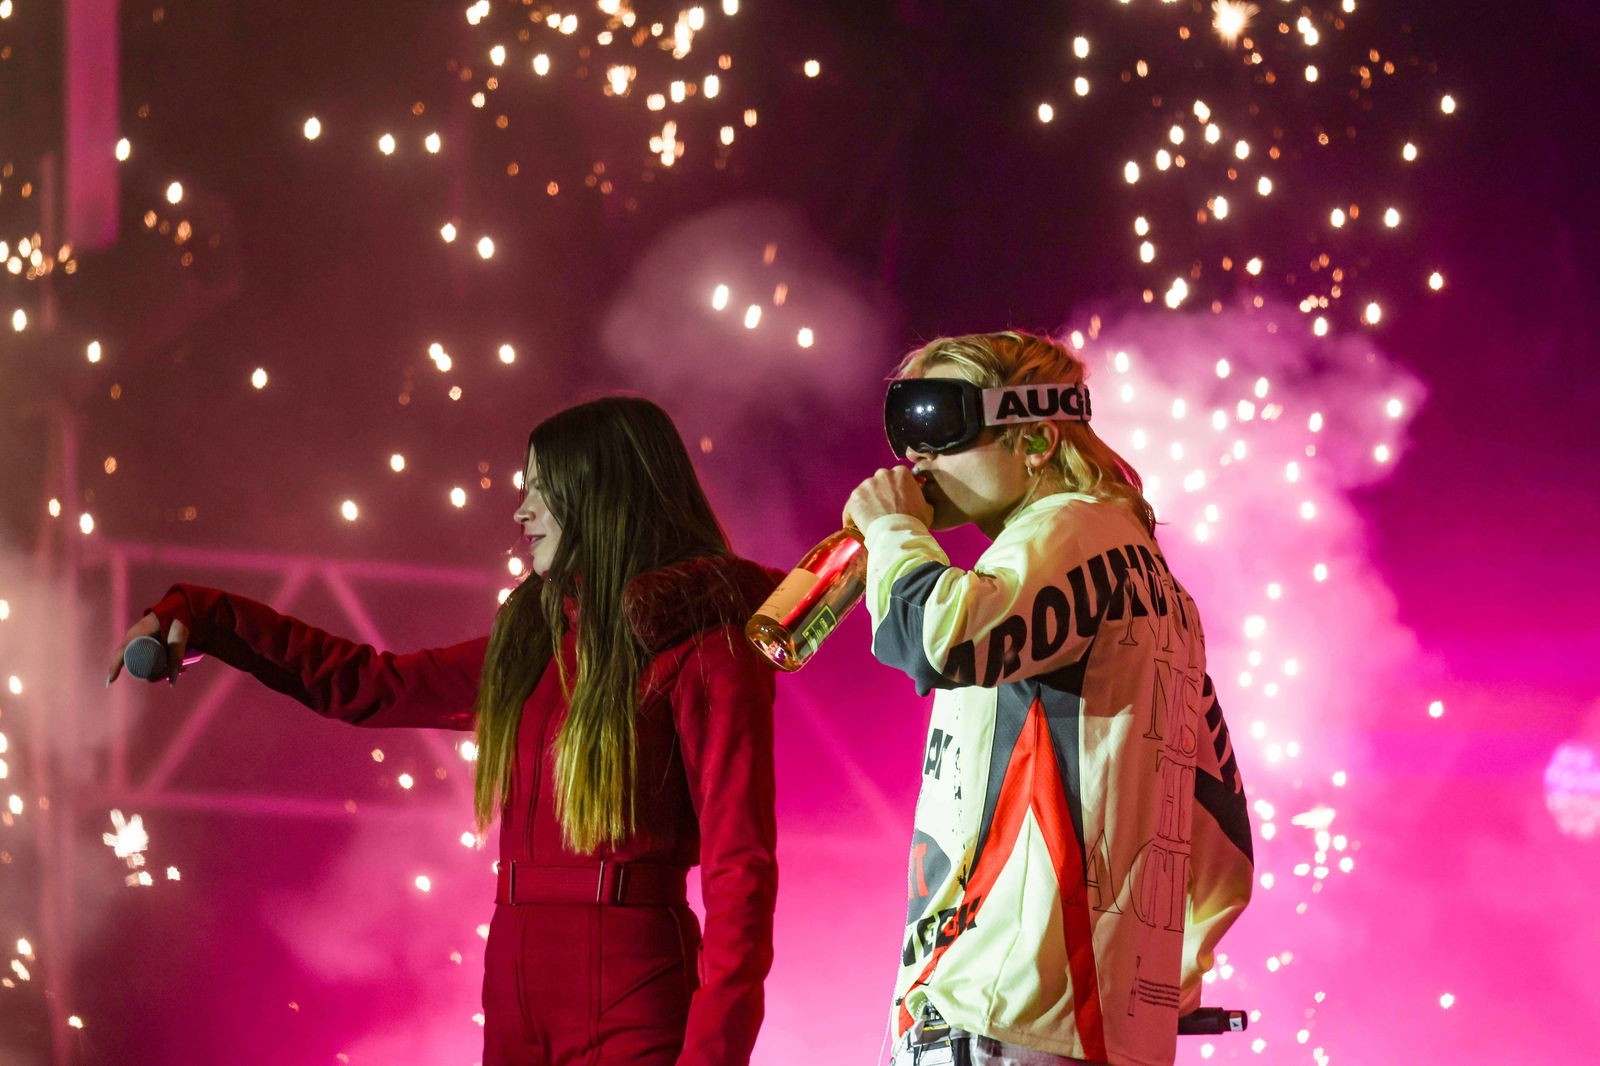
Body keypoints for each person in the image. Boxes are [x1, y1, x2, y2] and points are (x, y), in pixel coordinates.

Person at [106, 396, 782, 1066]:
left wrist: (713, 1057)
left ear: (599, 496)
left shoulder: (702, 648)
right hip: (516, 1003)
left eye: (544, 492)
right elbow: (368, 684)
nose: (522, 513)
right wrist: (208, 615)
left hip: (636, 998)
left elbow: (740, 871)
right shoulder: (534, 640)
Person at [843, 332, 1254, 1066]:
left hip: (1002, 1013)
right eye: (904, 426)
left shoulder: (1068, 530)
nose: (917, 457)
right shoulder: (1157, 583)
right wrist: (1164, 984)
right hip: (1090, 1024)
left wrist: (892, 530)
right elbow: (1220, 826)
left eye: (941, 421)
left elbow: (937, 638)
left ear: (1034, 438)